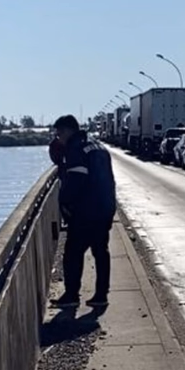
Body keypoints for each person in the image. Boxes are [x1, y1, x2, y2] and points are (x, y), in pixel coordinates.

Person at [51, 114, 117, 310]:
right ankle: (101, 295)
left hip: (86, 209)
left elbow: (76, 180)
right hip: (105, 206)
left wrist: (65, 203)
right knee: (100, 251)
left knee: (73, 252)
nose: (58, 137)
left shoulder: (76, 148)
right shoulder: (98, 146)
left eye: (59, 133)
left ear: (68, 130)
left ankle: (71, 295)